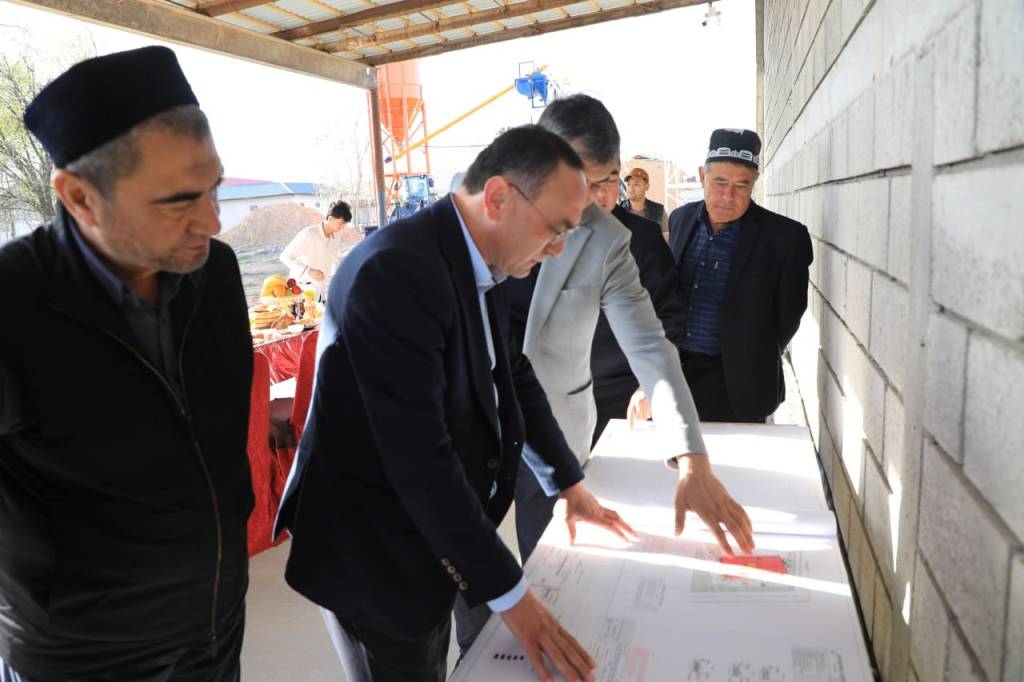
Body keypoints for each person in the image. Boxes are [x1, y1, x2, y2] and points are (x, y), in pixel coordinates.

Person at [275, 125, 634, 682]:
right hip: (375, 550)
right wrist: (512, 597)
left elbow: (511, 373)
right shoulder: (395, 273)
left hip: (428, 537)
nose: (558, 248)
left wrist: (567, 483)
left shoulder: (480, 260)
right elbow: (418, 457)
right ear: (498, 197)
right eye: (556, 228)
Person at [453, 94, 755, 654]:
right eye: (581, 182)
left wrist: (692, 459)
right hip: (464, 428)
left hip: (553, 427)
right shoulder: (468, 216)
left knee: (555, 562)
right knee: (463, 570)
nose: (593, 201)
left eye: (607, 180)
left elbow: (652, 347)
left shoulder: (608, 238)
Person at [0, 46, 253, 680]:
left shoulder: (214, 272)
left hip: (216, 624)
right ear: (80, 198)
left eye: (215, 187)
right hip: (86, 654)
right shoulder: (12, 300)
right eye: (178, 201)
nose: (211, 221)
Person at [665, 128, 814, 422]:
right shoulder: (681, 219)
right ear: (702, 176)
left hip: (739, 385)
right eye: (719, 182)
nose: (727, 196)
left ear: (754, 183)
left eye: (741, 185)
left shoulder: (785, 237)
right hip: (676, 377)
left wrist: (750, 352)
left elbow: (788, 317)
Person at [590, 197, 686, 446]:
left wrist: (651, 381)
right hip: (555, 396)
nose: (600, 194)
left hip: (628, 394)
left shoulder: (643, 236)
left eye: (609, 180)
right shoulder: (544, 232)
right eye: (589, 183)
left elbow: (669, 316)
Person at [279, 199, 352, 295]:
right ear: (330, 219)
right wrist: (308, 270)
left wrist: (337, 280)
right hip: (301, 290)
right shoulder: (309, 234)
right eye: (341, 223)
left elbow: (334, 261)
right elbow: (285, 257)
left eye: (345, 224)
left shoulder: (336, 236)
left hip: (321, 290)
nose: (343, 227)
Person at [621, 166, 668, 235]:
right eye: (629, 184)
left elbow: (666, 237)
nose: (631, 188)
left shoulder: (659, 211)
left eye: (636, 184)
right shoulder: (618, 211)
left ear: (647, 186)